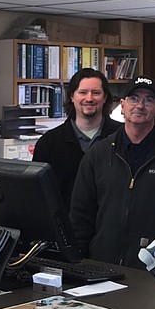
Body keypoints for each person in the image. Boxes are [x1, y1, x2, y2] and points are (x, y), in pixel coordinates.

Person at [70, 76, 155, 268]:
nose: (140, 105)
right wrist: (80, 262)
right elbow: (80, 216)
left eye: (148, 100)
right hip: (101, 266)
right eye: (133, 98)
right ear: (122, 105)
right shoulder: (99, 153)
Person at [33, 68, 122, 209]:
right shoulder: (49, 143)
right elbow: (39, 195)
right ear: (72, 97)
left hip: (111, 226)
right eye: (83, 92)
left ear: (105, 98)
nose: (89, 98)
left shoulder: (122, 136)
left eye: (96, 93)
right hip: (67, 226)